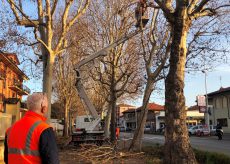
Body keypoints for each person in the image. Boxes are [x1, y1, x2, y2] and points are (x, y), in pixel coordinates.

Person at [4, 92, 59, 164]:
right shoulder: (44, 129)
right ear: (43, 108)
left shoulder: (10, 130)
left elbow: (6, 159)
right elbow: (52, 161)